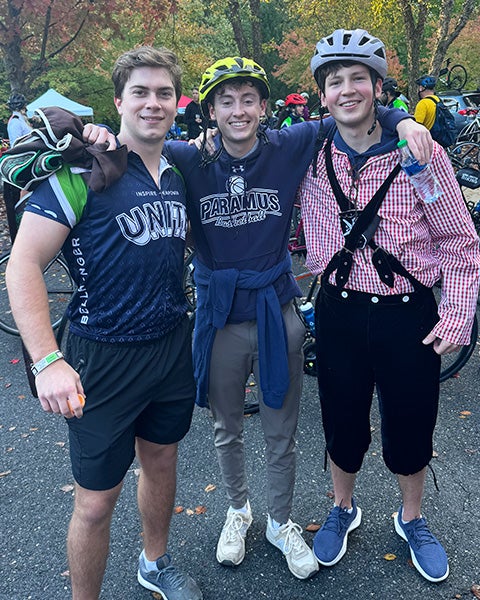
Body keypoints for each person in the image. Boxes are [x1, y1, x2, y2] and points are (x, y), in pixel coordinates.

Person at [57, 54, 432, 582]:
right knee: (226, 428)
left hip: (277, 309)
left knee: (281, 429)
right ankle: (239, 510)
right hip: (219, 315)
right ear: (209, 111)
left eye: (248, 99)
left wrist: (406, 119)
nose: (238, 111)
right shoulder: (187, 157)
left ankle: (281, 521)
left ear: (264, 105)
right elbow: (134, 137)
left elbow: (354, 110)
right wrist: (95, 131)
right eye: (226, 101)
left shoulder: (289, 145)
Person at [5, 46, 202, 600]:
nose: (153, 103)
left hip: (169, 347)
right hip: (102, 356)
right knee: (94, 501)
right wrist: (47, 361)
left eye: (164, 92)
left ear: (176, 101)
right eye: (140, 92)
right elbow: (22, 265)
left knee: (162, 461)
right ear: (118, 101)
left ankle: (154, 563)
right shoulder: (86, 168)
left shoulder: (181, 169)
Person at [298, 28, 480, 583]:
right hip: (341, 310)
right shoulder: (308, 154)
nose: (347, 89)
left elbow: (460, 241)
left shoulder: (421, 155)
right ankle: (343, 507)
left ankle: (412, 517)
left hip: (407, 311)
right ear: (323, 96)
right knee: (341, 417)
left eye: (359, 78)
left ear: (378, 86)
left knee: (410, 420)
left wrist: (457, 315)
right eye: (335, 82)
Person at [3, 93, 32, 240]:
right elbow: (17, 146)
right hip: (21, 166)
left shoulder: (22, 120)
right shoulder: (15, 122)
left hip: (26, 163)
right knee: (18, 206)